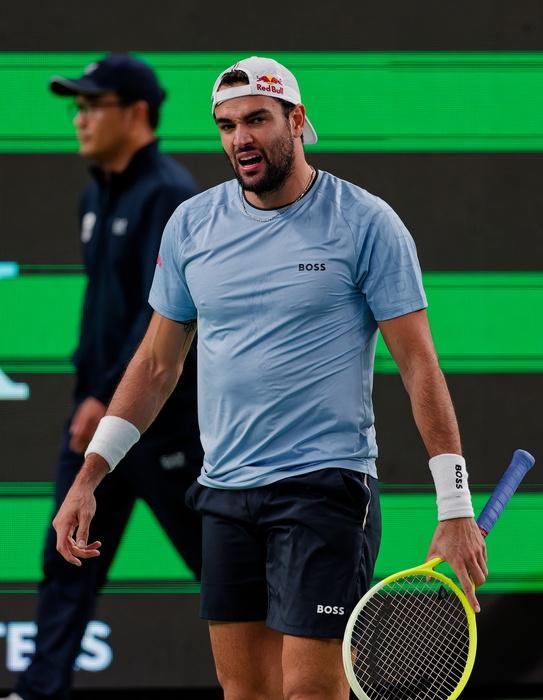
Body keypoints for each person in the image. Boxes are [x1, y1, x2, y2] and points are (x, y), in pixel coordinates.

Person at [50, 56, 488, 700]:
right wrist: (91, 476)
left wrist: (454, 508)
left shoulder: (366, 223)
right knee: (244, 692)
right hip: (224, 492)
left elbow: (420, 366)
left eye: (257, 119)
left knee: (309, 690)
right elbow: (155, 364)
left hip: (324, 490)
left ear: (297, 120)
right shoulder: (191, 226)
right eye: (226, 126)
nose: (240, 139)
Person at [3, 54, 202, 700]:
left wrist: (104, 398)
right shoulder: (97, 193)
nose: (80, 118)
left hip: (163, 428)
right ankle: (38, 694)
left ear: (137, 113)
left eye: (93, 105)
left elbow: (160, 319)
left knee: (229, 575)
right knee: (65, 566)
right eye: (76, 107)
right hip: (92, 424)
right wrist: (89, 398)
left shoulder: (171, 195)